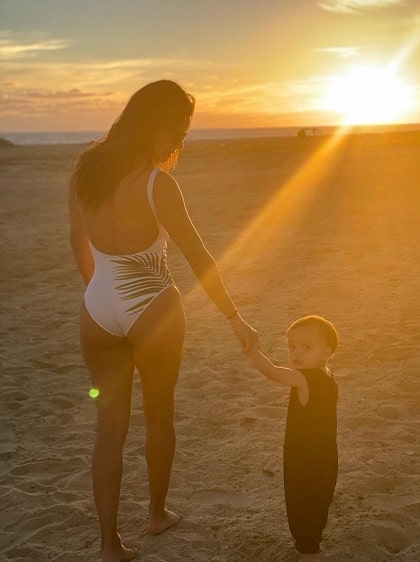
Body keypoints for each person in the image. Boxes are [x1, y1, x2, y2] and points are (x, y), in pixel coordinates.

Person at [69, 80, 257, 562]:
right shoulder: (157, 184)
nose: (181, 142)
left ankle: (109, 544)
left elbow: (79, 245)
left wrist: (101, 293)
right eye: (180, 130)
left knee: (108, 429)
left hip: (96, 309)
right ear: (158, 125)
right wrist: (235, 319)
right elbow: (199, 257)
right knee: (158, 415)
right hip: (152, 307)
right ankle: (156, 514)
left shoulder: (85, 170)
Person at [246, 315, 339, 561]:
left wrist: (252, 350)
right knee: (318, 499)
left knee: (301, 502)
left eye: (306, 347)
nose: (296, 353)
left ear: (326, 353)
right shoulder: (328, 376)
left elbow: (270, 372)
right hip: (326, 455)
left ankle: (308, 551)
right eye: (292, 346)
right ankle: (311, 542)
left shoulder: (304, 378)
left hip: (303, 458)